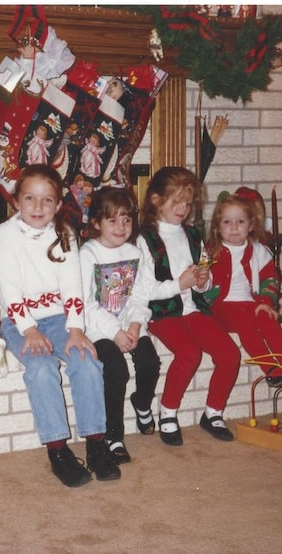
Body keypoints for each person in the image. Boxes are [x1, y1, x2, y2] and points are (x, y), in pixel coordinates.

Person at [0, 164, 120, 487]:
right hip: (19, 323)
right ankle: (58, 449)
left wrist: (76, 328)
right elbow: (8, 290)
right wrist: (29, 329)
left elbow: (73, 286)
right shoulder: (4, 235)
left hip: (60, 318)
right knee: (42, 368)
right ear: (17, 201)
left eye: (47, 200)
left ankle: (95, 442)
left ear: (58, 205)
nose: (38, 207)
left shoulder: (64, 234)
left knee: (86, 360)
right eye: (30, 199)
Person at [136, 166, 241, 446]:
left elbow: (204, 280)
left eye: (188, 202)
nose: (183, 208)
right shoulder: (145, 239)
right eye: (176, 201)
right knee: (189, 353)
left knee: (229, 353)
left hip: (192, 309)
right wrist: (179, 284)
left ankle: (213, 412)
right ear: (156, 200)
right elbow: (145, 291)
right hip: (161, 313)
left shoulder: (193, 235)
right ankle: (168, 412)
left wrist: (202, 281)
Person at [80, 187, 161, 464]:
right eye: (112, 220)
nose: (121, 227)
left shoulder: (133, 252)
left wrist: (136, 325)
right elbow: (87, 304)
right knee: (116, 370)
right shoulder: (88, 254)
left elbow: (139, 295)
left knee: (150, 363)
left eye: (126, 219)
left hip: (130, 324)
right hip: (99, 329)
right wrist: (115, 333)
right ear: (96, 223)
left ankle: (141, 403)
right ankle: (113, 435)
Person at [205, 191, 282, 393]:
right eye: (227, 222)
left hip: (251, 303)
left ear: (251, 225)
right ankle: (271, 368)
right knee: (247, 324)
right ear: (217, 227)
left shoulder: (259, 250)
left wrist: (265, 302)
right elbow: (201, 281)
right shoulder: (209, 252)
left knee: (269, 322)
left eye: (240, 221)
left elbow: (271, 278)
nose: (234, 227)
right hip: (221, 307)